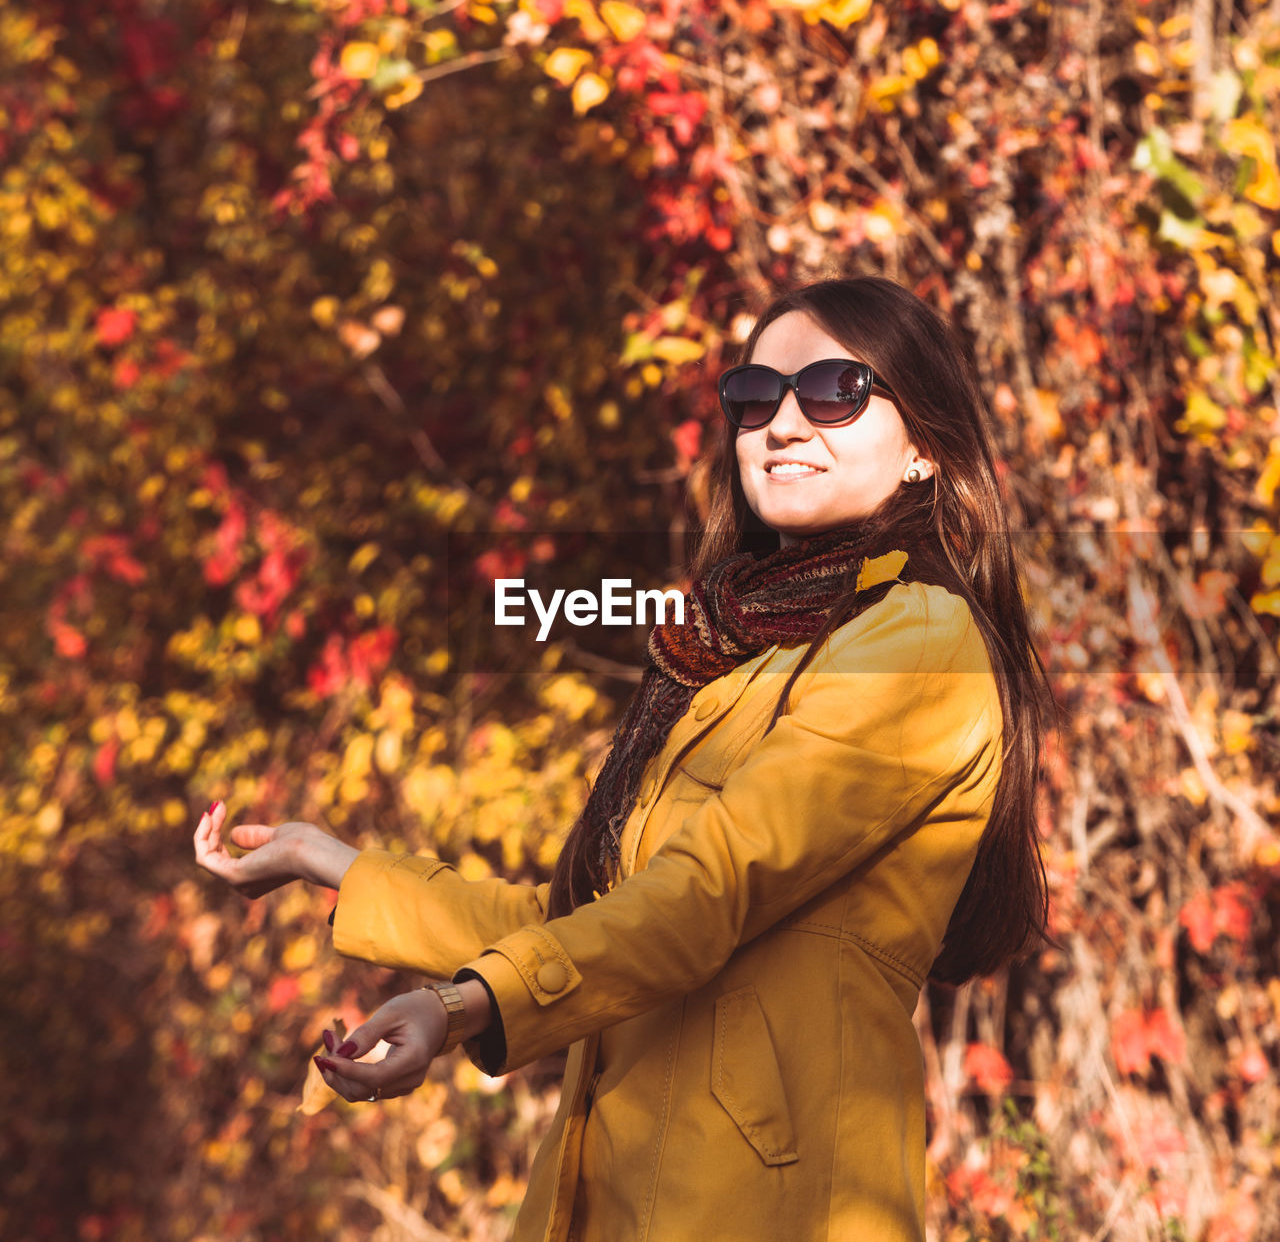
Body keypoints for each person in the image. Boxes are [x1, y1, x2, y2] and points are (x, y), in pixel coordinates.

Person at [195, 275, 1051, 1242]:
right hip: (613, 1192)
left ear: (925, 449)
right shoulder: (722, 661)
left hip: (771, 1206)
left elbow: (707, 889)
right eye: (754, 397)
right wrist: (327, 859)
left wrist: (463, 1008)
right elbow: (588, 922)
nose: (782, 423)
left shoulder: (918, 641)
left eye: (834, 391)